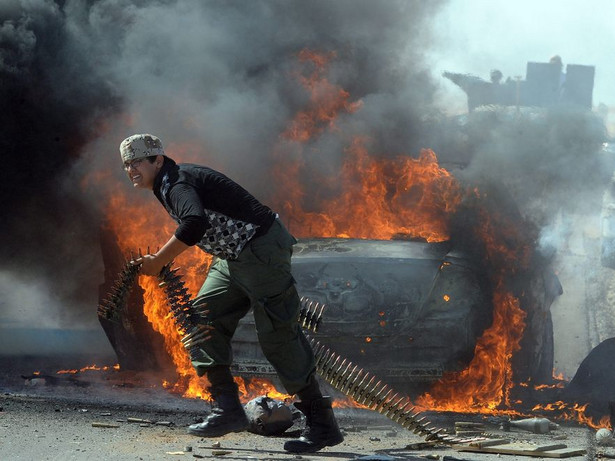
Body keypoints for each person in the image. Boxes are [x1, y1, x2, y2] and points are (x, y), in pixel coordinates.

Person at [119, 133, 343, 453]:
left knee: (278, 337)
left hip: (260, 250)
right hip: (231, 258)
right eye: (126, 165)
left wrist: (158, 261)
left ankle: (323, 426)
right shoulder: (165, 183)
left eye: (137, 162)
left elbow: (194, 224)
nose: (131, 170)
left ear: (158, 160)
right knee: (200, 320)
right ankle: (227, 410)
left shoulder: (177, 183)